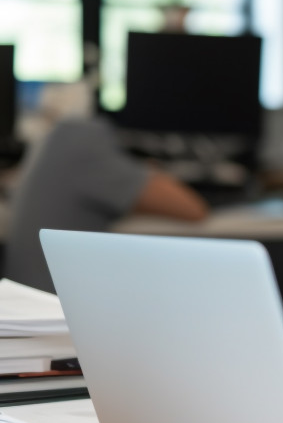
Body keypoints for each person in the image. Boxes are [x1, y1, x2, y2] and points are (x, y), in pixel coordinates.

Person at [5, 115, 209, 292]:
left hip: (29, 305)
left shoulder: (58, 136)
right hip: (55, 313)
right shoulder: (83, 141)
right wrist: (150, 170)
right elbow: (194, 209)